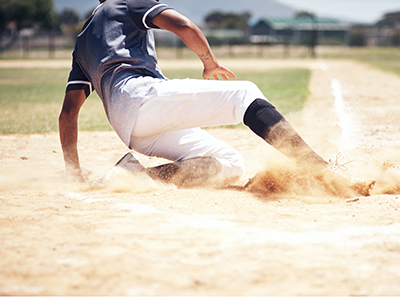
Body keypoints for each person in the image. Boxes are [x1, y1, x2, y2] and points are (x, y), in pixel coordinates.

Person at [58, 0, 367, 191]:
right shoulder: (124, 3)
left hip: (132, 130)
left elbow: (69, 113)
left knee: (229, 162)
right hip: (143, 99)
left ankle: (135, 175)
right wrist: (210, 63)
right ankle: (321, 170)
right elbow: (183, 25)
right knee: (244, 93)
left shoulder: (83, 41)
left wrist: (73, 169)